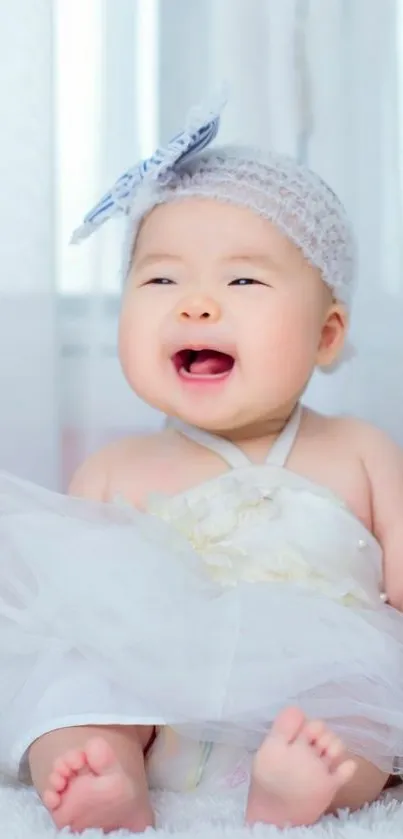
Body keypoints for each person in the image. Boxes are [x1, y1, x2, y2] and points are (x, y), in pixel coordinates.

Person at [1, 97, 403, 834]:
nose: (195, 306)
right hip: (158, 697)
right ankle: (109, 769)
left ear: (326, 333)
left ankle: (291, 792)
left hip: (307, 692)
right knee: (73, 682)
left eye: (242, 282)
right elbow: (69, 616)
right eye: (159, 281)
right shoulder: (115, 466)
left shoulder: (359, 449)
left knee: (362, 707)